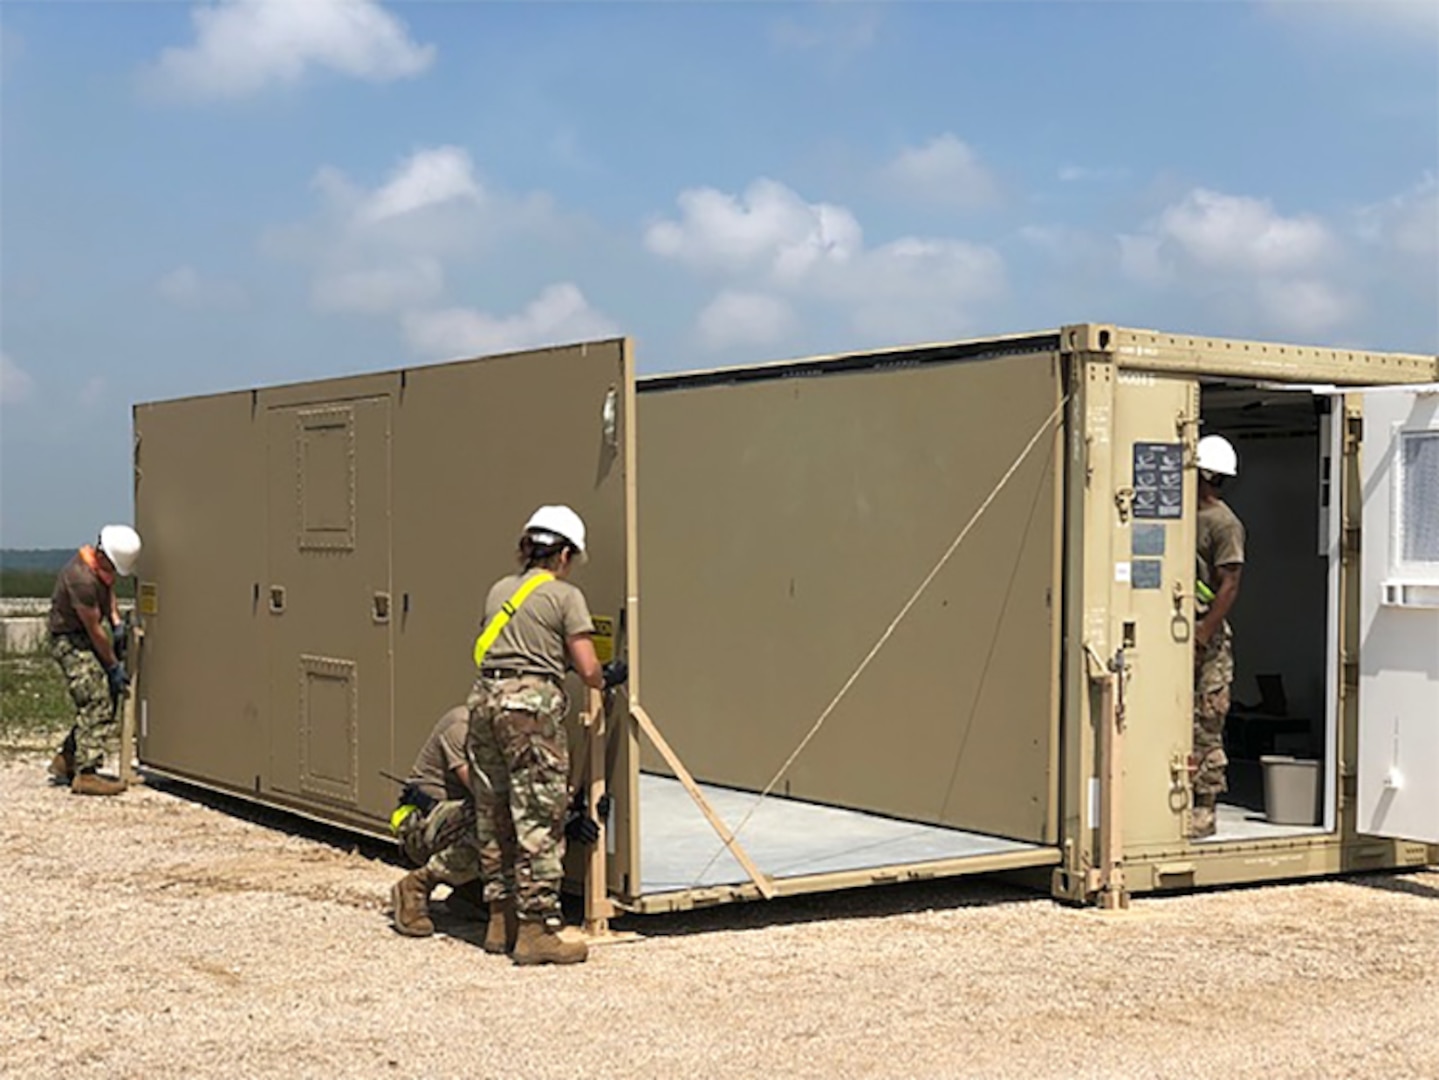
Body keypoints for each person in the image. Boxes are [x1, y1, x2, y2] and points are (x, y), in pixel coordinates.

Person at [467, 505, 627, 966]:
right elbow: (587, 667)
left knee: (493, 809)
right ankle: (537, 930)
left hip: (484, 702)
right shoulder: (564, 596)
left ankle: (501, 920)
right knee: (538, 816)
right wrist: (606, 677)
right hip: (529, 710)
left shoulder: (499, 589)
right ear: (563, 556)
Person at [47, 524, 142, 796]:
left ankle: (67, 760)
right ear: (104, 557)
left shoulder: (99, 568)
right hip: (69, 639)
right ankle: (85, 774)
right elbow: (94, 631)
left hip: (85, 636)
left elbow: (108, 592)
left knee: (107, 697)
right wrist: (112, 664)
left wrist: (116, 622)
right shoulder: (81, 578)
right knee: (95, 698)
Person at [389, 705, 485, 937]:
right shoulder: (462, 725)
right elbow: (483, 792)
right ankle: (416, 885)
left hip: (454, 822)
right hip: (424, 826)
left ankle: (470, 892)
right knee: (494, 816)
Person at [1191, 435, 1245, 840]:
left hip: (1207, 642)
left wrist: (1202, 634)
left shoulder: (1224, 524)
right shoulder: (1180, 516)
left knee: (1206, 723)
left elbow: (1228, 586)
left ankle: (1204, 809)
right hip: (1179, 632)